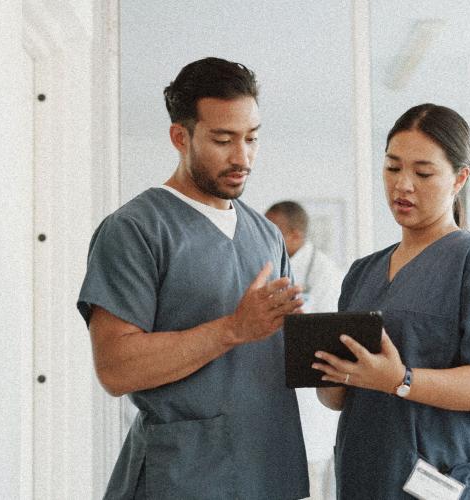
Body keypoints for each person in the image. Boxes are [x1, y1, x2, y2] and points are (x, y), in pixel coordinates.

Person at [77, 57, 309, 500]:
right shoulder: (135, 230)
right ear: (180, 137)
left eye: (252, 139)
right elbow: (115, 367)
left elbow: (277, 351)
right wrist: (231, 329)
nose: (242, 157)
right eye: (223, 140)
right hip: (185, 477)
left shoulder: (266, 236)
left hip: (268, 469)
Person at [313, 103, 470, 499]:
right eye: (392, 167)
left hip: (438, 483)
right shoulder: (363, 272)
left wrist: (401, 381)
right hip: (363, 477)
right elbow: (337, 398)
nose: (403, 185)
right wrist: (327, 370)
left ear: (459, 178)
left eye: (423, 173)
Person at [265, 201, 345, 500]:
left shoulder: (325, 275)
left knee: (309, 488)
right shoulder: (272, 270)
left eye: (274, 232)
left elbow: (323, 340)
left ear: (296, 235)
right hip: (274, 399)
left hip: (312, 407)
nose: (266, 238)